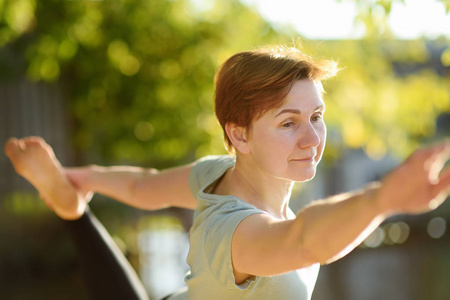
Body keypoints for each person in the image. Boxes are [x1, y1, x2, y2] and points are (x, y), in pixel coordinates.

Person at [5, 46, 450, 300]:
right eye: (288, 122)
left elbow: (142, 185)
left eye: (317, 115)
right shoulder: (232, 233)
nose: (313, 138)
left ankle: (70, 205)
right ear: (239, 134)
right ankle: (72, 211)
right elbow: (304, 240)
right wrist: (382, 199)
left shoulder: (217, 175)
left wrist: (80, 175)